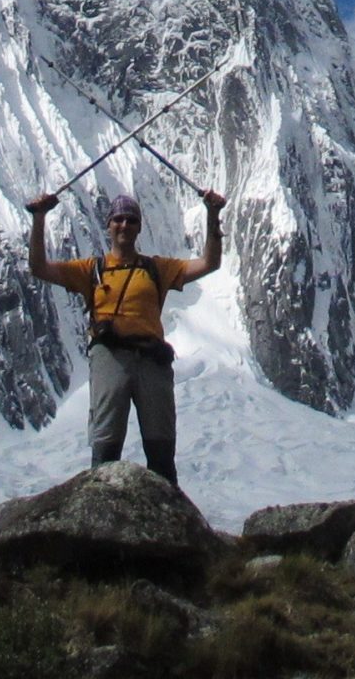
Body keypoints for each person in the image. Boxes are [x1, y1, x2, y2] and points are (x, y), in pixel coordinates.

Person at [27, 187, 226, 485]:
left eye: (130, 220)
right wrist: (39, 219)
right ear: (108, 225)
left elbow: (209, 263)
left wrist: (213, 216)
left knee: (160, 446)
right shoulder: (91, 269)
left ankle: (162, 519)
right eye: (118, 219)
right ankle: (101, 520)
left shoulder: (157, 267)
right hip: (110, 356)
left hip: (151, 358)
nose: (124, 225)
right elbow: (39, 268)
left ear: (138, 227)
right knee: (106, 445)